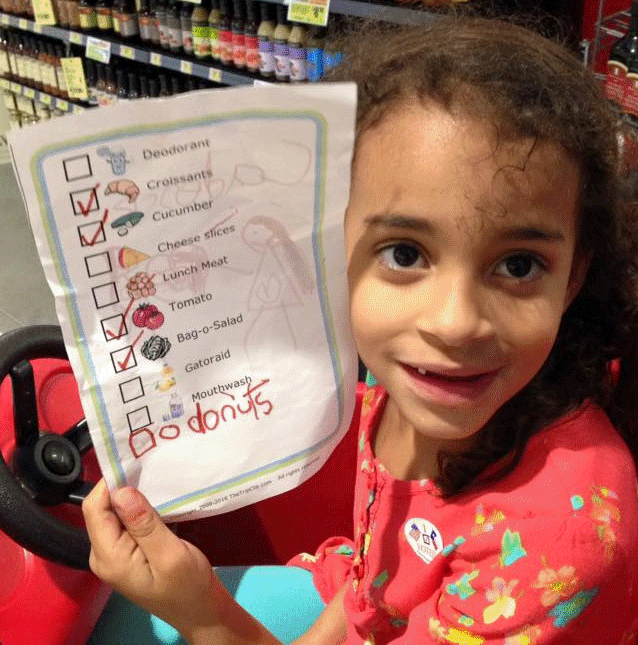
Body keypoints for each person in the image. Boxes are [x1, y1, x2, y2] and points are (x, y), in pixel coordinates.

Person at [81, 16, 638, 644]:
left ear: (572, 276)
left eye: (518, 266)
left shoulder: (557, 543)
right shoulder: (402, 376)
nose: (454, 323)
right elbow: (378, 570)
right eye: (404, 254)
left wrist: (203, 611)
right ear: (330, 247)